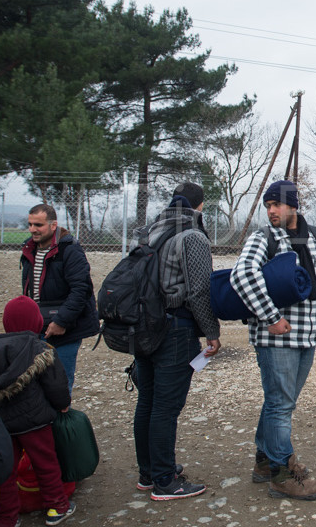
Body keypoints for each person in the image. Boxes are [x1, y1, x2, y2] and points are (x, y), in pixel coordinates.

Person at [231, 180, 316, 499]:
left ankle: (263, 462)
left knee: (280, 402)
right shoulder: (264, 237)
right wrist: (271, 317)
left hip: (307, 336)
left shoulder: (315, 237)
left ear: (293, 206)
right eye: (268, 205)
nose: (271, 210)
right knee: (280, 403)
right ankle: (282, 475)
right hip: (275, 341)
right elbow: (242, 275)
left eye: (277, 204)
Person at [133, 182, 220, 500]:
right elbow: (198, 290)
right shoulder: (193, 236)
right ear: (199, 207)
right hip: (174, 329)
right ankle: (166, 482)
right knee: (166, 409)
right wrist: (212, 331)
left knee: (147, 402)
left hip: (142, 327)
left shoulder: (148, 231)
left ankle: (149, 472)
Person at [0, 296, 75, 527]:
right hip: (34, 422)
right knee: (46, 463)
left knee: (4, 470)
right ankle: (56, 507)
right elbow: (56, 385)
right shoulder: (41, 350)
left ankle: (6, 518)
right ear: (37, 322)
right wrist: (62, 405)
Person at [21, 204, 99, 393]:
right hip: (38, 325)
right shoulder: (29, 248)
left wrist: (61, 321)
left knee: (59, 384)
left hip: (65, 329)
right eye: (30, 224)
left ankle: (61, 420)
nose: (33, 229)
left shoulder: (69, 250)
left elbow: (82, 290)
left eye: (38, 225)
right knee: (36, 382)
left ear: (53, 225)